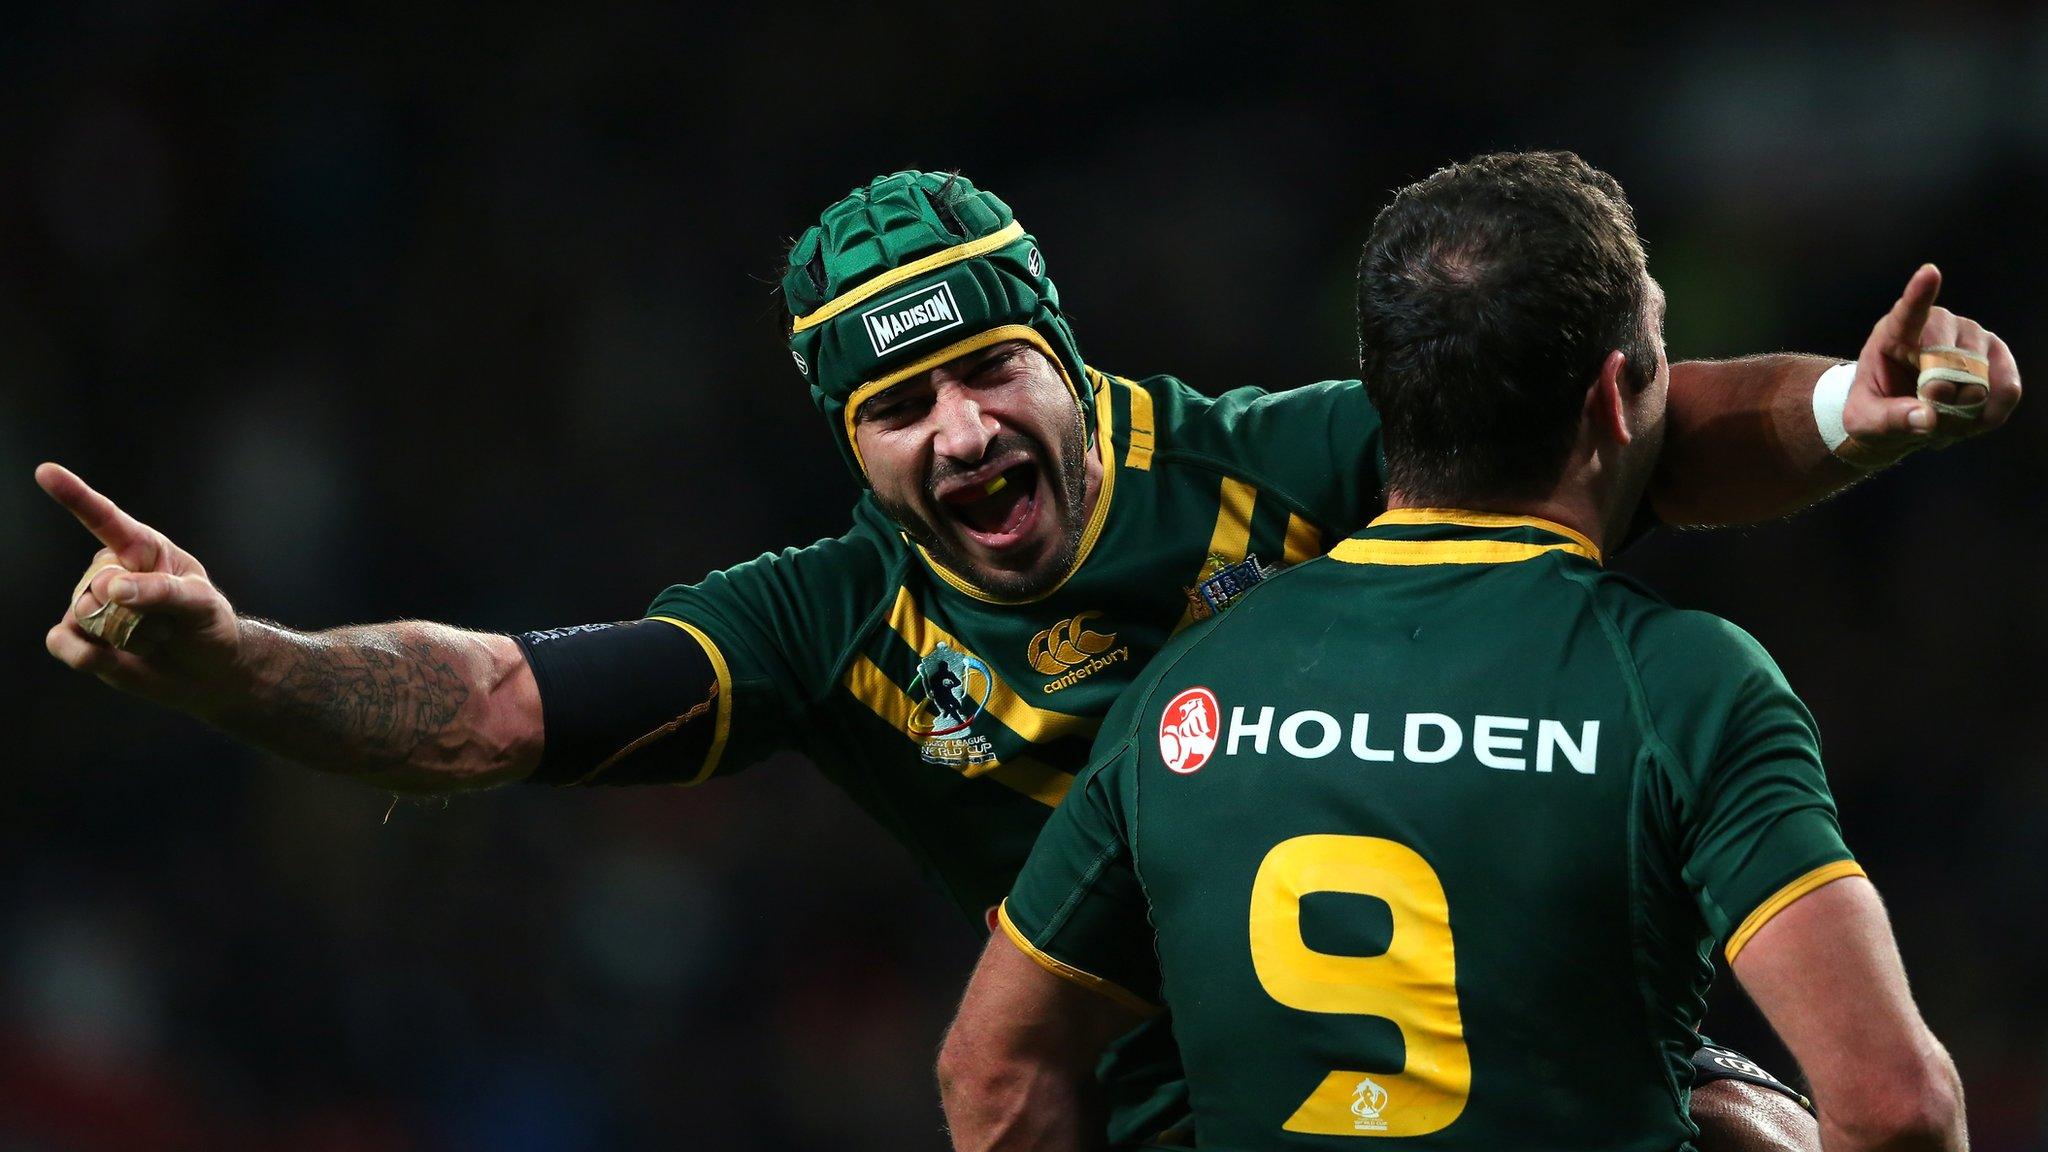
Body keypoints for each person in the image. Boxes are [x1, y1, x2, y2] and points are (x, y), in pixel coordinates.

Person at [40, 170, 2012, 1147]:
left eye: (992, 367)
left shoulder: (1258, 462)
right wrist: (232, 660)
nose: (966, 431)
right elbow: (486, 704)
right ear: (846, 446)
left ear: (1063, 357)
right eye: (901, 406)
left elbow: (1622, 432)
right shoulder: (826, 622)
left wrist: (1850, 407)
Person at [938, 152, 1967, 1151]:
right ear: (1614, 399)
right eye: (1661, 348)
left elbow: (992, 1071)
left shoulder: (1185, 688)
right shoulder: (1684, 686)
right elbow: (1892, 1107)